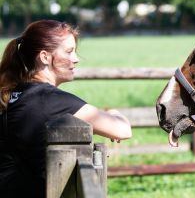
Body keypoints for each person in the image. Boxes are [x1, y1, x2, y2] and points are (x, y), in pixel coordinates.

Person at [0, 20, 132, 197]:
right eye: (69, 51)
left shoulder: (14, 93)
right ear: (45, 57)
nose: (76, 59)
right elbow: (122, 130)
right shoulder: (49, 100)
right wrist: (113, 112)